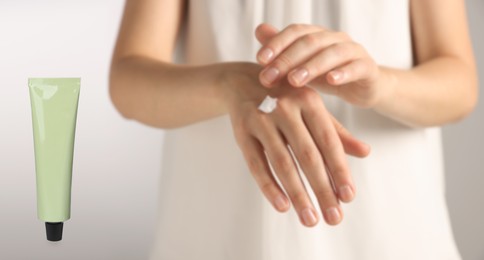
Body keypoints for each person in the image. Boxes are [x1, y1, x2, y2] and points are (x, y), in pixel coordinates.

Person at [109, 0, 478, 259]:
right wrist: (233, 83)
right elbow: (127, 80)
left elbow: (460, 84)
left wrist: (380, 84)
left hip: (389, 235)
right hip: (215, 235)